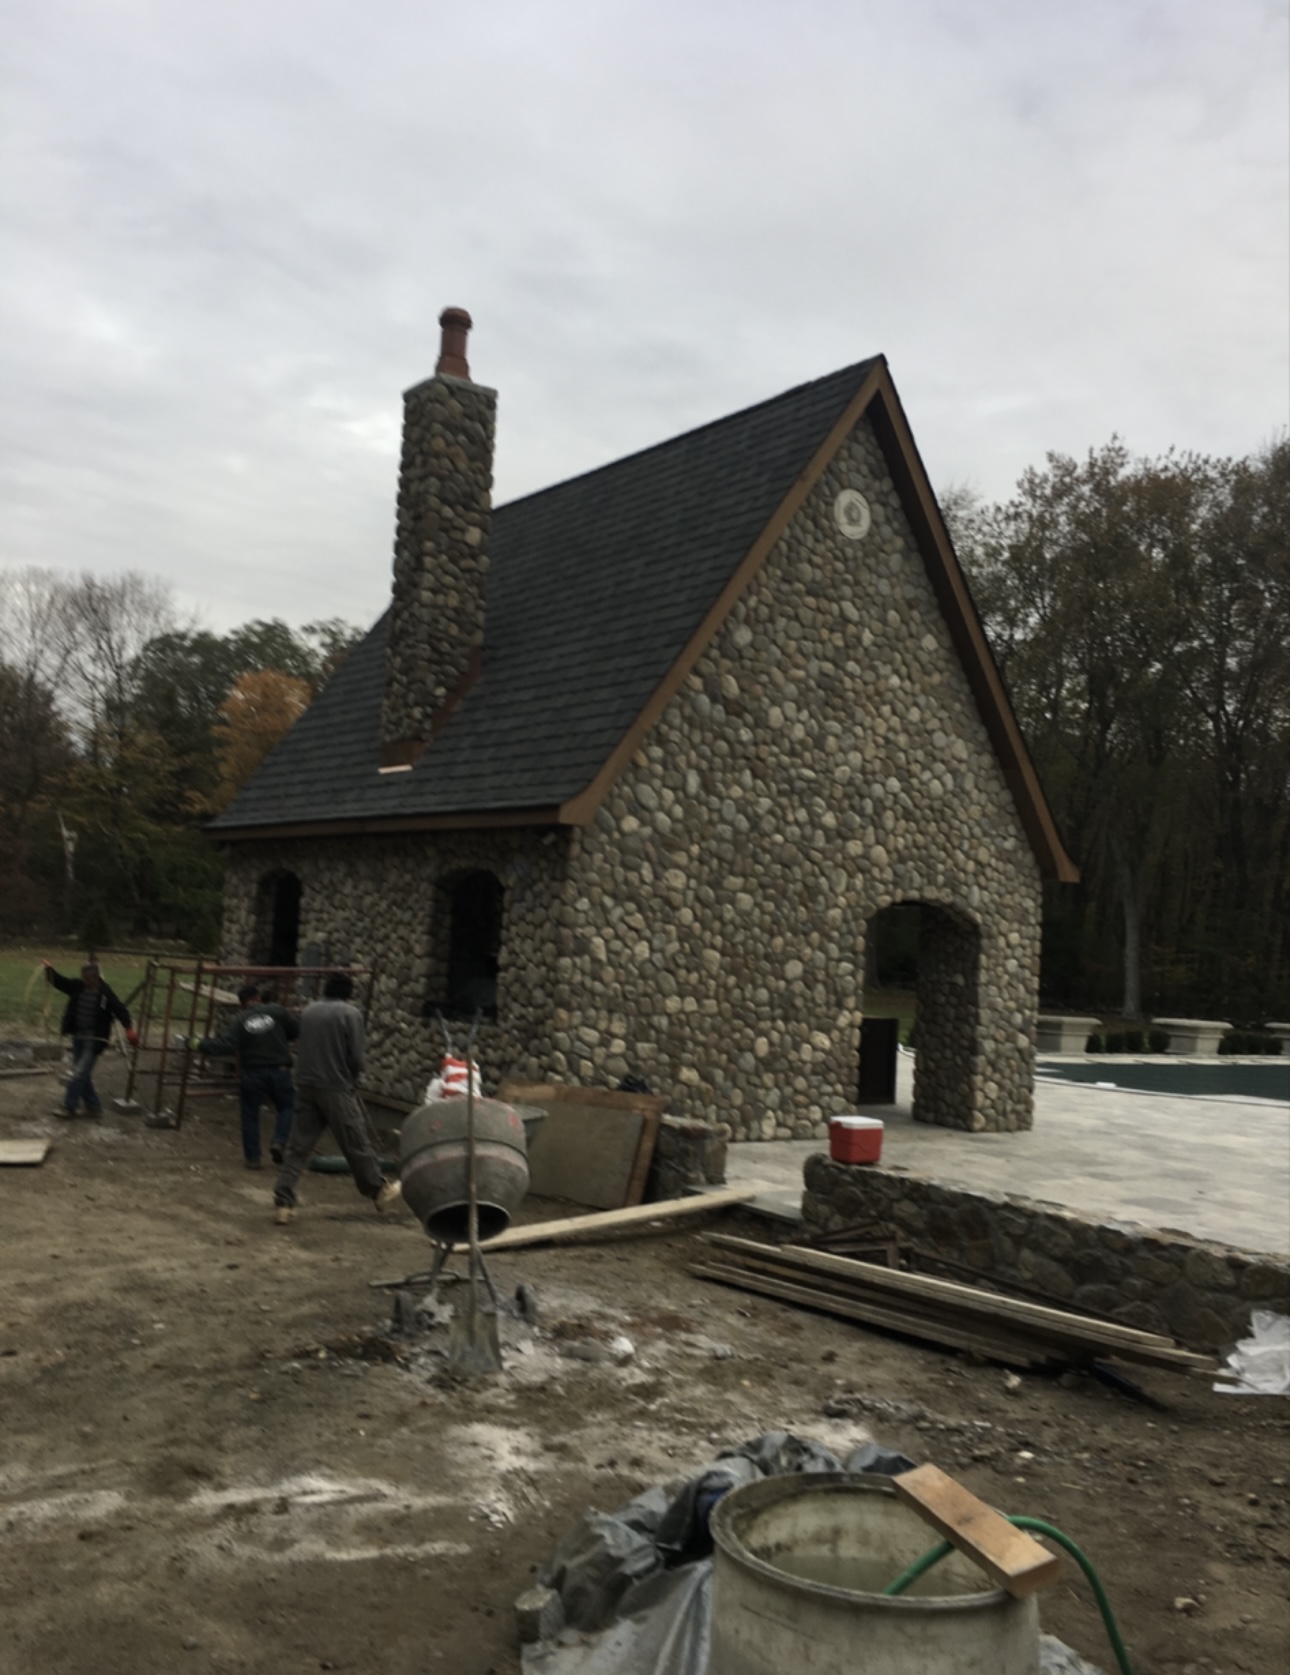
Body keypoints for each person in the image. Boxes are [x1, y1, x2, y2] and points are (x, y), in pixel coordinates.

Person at [271, 973, 401, 1225]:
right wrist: (356, 1078)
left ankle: (283, 1201)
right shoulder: (349, 1014)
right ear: (347, 992)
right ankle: (377, 1190)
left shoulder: (309, 1011)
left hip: (306, 1084)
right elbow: (355, 1055)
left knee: (299, 1147)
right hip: (335, 1086)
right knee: (355, 1140)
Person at [191, 984, 299, 1170]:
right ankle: (279, 1141)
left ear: (242, 1004)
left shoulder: (239, 1020)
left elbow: (225, 1046)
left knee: (250, 1114)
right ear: (258, 997)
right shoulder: (277, 1010)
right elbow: (295, 1030)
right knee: (287, 1106)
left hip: (253, 1072)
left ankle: (253, 1158)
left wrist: (197, 1044)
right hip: (279, 1070)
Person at [42, 959, 137, 1118]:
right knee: (82, 1074)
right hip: (78, 1036)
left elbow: (121, 1010)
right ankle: (93, 1106)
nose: (85, 981)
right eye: (83, 978)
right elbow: (61, 983)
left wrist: (129, 1029)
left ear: (96, 977)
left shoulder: (106, 994)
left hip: (95, 1040)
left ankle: (69, 1107)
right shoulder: (78, 987)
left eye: (87, 978)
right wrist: (49, 971)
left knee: (78, 1073)